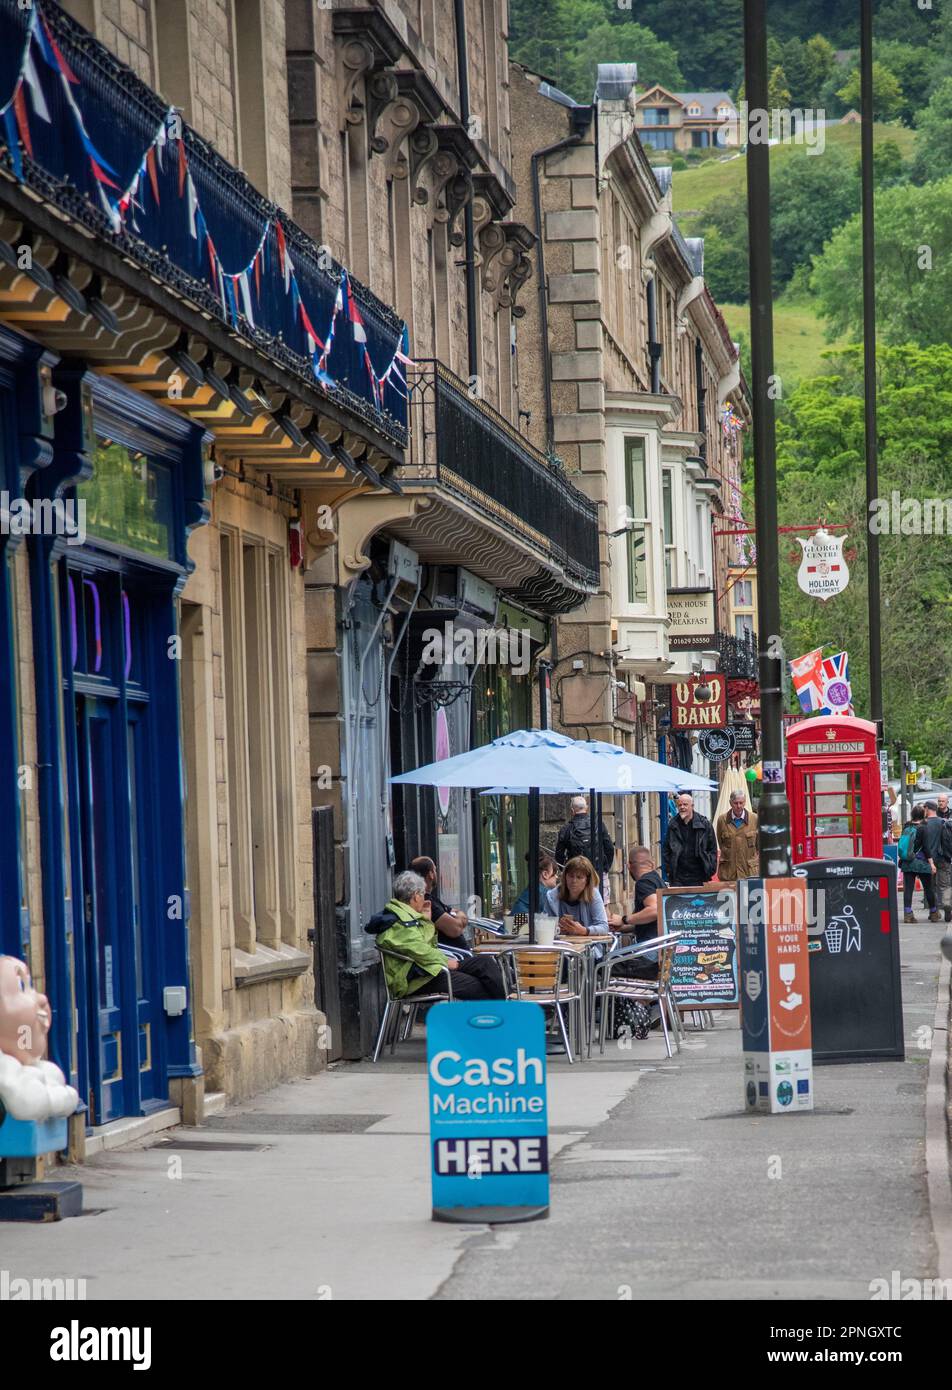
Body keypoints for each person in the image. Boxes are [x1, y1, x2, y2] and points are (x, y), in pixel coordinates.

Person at [366, 871, 504, 999]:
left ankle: (507, 1010)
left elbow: (424, 945)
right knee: (480, 987)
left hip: (428, 970)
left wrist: (426, 921)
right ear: (415, 896)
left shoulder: (407, 916)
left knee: (484, 962)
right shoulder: (398, 921)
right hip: (417, 979)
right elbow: (420, 950)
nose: (424, 898)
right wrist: (446, 962)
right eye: (422, 894)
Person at [609, 846, 664, 980]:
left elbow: (654, 910)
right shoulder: (657, 880)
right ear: (652, 863)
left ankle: (633, 1000)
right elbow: (651, 920)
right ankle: (641, 1001)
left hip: (649, 954)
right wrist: (624, 927)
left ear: (628, 866)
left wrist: (624, 919)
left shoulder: (643, 882)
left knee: (604, 965)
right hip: (659, 951)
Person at [408, 855, 468, 949]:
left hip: (458, 955)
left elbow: (456, 912)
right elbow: (455, 929)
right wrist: (459, 919)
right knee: (486, 960)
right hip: (453, 958)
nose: (436, 873)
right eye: (435, 870)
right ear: (431, 874)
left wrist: (458, 917)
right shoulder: (426, 903)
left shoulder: (431, 899)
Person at [545, 855, 609, 936]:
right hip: (561, 945)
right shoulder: (552, 896)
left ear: (587, 880)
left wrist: (584, 931)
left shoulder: (593, 894)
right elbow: (545, 925)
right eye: (571, 876)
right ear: (565, 877)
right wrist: (556, 928)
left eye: (579, 877)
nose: (574, 881)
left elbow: (604, 927)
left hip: (589, 946)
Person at [662, 793, 718, 887]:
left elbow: (712, 849)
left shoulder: (704, 824)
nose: (682, 807)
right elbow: (666, 849)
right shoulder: (673, 825)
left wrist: (710, 868)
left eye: (685, 804)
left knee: (698, 901)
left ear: (692, 806)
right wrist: (669, 870)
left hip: (699, 876)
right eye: (680, 805)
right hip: (678, 877)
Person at [555, 795, 614, 878]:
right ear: (586, 808)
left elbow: (559, 855)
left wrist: (567, 871)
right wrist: (605, 869)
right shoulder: (598, 825)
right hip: (597, 872)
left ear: (572, 810)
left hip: (576, 875)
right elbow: (609, 848)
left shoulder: (566, 829)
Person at [899, 805, 935, 924]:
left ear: (912, 815)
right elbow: (926, 848)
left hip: (907, 862)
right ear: (923, 815)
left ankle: (908, 914)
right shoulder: (923, 828)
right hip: (921, 863)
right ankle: (934, 913)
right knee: (928, 888)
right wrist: (932, 864)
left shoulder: (906, 826)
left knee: (908, 889)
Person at [716, 790, 759, 882]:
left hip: (749, 872)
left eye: (741, 803)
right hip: (728, 873)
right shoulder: (722, 820)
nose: (739, 806)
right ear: (730, 803)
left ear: (745, 802)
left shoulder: (755, 819)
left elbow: (759, 845)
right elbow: (721, 843)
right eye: (736, 803)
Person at [512, 850, 559, 915]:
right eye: (555, 874)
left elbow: (515, 922)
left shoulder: (529, 891)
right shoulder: (547, 895)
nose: (556, 877)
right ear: (545, 874)